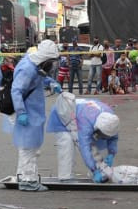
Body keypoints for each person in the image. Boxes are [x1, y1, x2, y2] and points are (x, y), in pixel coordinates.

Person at [10, 39, 62, 192]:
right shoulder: (27, 68)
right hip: (26, 112)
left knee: (27, 146)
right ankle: (28, 180)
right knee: (30, 148)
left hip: (32, 111)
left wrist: (51, 83)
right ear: (45, 59)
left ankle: (22, 175)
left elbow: (41, 77)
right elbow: (16, 90)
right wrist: (21, 112)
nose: (53, 65)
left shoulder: (35, 65)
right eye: (51, 61)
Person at [47, 94, 120, 183]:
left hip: (79, 112)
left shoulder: (111, 119)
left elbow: (113, 137)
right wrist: (94, 169)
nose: (104, 138)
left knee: (94, 145)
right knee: (67, 143)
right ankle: (65, 176)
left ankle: (98, 172)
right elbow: (85, 147)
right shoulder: (85, 123)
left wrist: (111, 153)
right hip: (63, 114)